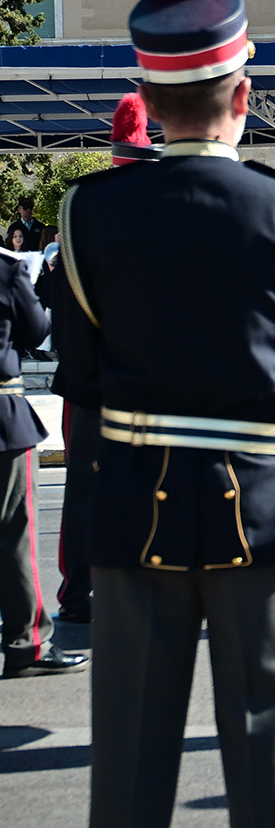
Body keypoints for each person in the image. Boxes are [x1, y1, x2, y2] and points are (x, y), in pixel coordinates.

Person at [53, 0, 275, 825]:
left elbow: (77, 374)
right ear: (240, 97)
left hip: (132, 514)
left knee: (129, 775)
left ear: (146, 103)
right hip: (261, 511)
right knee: (270, 771)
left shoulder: (90, 212)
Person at [49, 93, 160, 627]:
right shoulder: (163, 221)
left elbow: (58, 305)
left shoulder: (79, 214)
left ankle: (79, 594)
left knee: (84, 491)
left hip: (87, 386)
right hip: (143, 385)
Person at [0, 226, 83, 678]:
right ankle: (25, 642)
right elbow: (38, 330)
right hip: (2, 413)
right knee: (15, 532)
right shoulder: (7, 272)